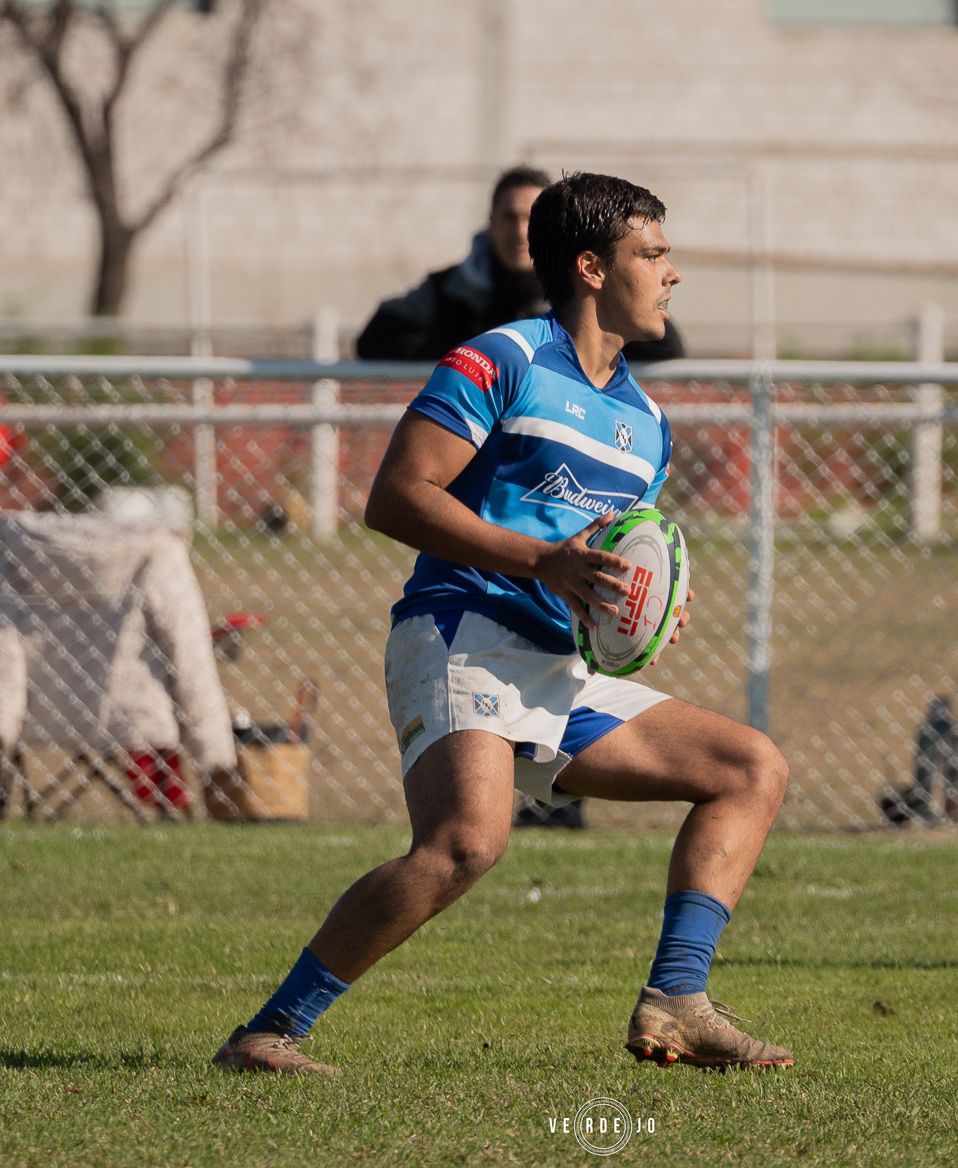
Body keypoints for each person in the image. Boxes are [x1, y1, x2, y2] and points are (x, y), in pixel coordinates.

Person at [213, 173, 792, 1075]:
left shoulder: (646, 424)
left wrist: (627, 612)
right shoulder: (502, 360)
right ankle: (270, 1033)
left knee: (749, 768)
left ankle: (677, 1002)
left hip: (557, 665)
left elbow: (597, 557)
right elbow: (395, 496)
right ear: (592, 267)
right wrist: (542, 564)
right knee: (463, 846)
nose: (672, 274)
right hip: (460, 631)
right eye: (654, 254)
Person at [356, 165, 686, 364]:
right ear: (490, 222)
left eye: (531, 217)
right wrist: (481, 353)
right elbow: (373, 340)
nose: (520, 230)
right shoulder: (450, 287)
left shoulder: (583, 282)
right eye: (509, 217)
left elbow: (665, 344)